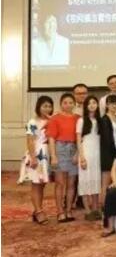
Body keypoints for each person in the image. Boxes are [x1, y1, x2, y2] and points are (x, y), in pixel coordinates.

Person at [47, 93, 80, 223]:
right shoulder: (55, 118)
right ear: (61, 104)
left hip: (74, 149)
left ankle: (69, 210)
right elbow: (51, 138)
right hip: (60, 149)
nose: (68, 105)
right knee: (60, 183)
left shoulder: (78, 118)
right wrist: (53, 156)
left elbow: (81, 138)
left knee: (71, 183)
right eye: (65, 102)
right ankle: (60, 211)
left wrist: (78, 153)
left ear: (74, 104)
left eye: (70, 102)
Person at [25, 96, 54, 225]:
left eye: (49, 106)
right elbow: (30, 140)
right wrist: (33, 157)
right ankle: (38, 211)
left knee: (42, 184)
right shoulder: (33, 121)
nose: (47, 109)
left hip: (47, 154)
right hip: (37, 153)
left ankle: (37, 209)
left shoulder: (51, 120)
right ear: (38, 107)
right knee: (36, 184)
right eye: (44, 106)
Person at [77, 96, 102, 221]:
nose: (92, 105)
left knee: (95, 182)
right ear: (85, 106)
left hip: (97, 155)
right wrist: (82, 157)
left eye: (94, 102)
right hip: (86, 154)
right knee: (85, 181)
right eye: (89, 103)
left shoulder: (99, 120)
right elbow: (78, 140)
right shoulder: (81, 120)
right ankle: (87, 210)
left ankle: (96, 209)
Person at [99, 95, 116, 213]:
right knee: (106, 182)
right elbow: (106, 140)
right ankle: (103, 206)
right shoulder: (104, 119)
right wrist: (115, 153)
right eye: (111, 103)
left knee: (114, 181)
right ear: (107, 105)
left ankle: (112, 205)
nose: (114, 106)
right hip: (108, 154)